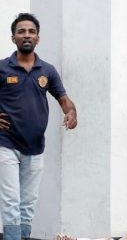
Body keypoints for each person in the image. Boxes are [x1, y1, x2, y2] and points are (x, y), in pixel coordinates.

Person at [0, 13, 77, 240]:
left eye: (31, 32)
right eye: (21, 31)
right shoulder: (3, 68)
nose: (27, 35)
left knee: (27, 205)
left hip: (35, 148)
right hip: (6, 145)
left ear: (38, 38)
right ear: (13, 38)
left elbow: (63, 99)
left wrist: (71, 112)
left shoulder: (47, 70)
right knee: (11, 202)